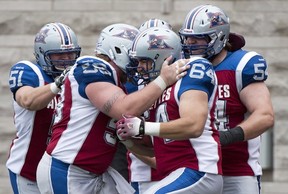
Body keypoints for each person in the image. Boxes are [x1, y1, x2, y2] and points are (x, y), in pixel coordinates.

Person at [36, 23, 189, 194]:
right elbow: (124, 109)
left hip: (94, 173)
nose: (138, 66)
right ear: (117, 51)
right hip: (67, 170)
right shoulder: (91, 67)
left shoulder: (115, 82)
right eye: (135, 59)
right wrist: (163, 80)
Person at [178, 4, 274, 194]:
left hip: (236, 171)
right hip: (194, 169)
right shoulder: (182, 66)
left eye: (197, 39)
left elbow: (265, 116)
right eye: (187, 38)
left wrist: (225, 137)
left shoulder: (240, 65)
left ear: (219, 38)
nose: (189, 44)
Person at [117, 27, 222, 194]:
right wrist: (128, 141)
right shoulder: (155, 89)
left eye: (144, 61)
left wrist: (143, 127)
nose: (139, 68)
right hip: (175, 174)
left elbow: (194, 126)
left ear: (163, 58)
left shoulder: (192, 70)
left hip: (199, 170)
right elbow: (156, 154)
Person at [6, 22, 81, 194]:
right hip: (28, 168)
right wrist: (57, 84)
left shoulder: (77, 77)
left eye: (71, 53)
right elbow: (27, 100)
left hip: (61, 170)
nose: (67, 59)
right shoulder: (29, 71)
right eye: (58, 55)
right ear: (42, 54)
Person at [123, 19, 174, 194]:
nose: (139, 67)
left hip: (181, 166)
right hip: (145, 173)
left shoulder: (186, 81)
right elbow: (126, 136)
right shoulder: (130, 84)